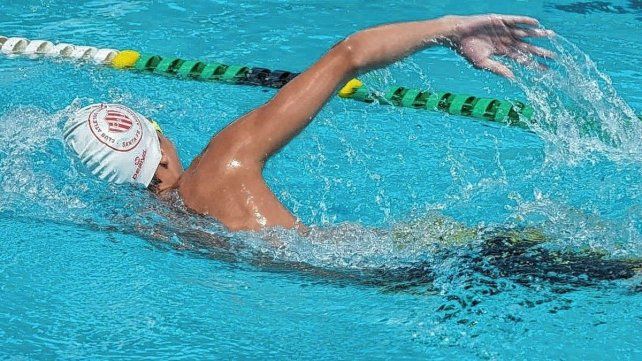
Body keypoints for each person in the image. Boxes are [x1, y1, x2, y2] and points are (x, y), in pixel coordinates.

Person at [64, 14, 554, 231]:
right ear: (158, 147)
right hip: (408, 260)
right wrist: (450, 31)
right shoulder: (222, 163)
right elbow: (350, 53)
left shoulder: (144, 224)